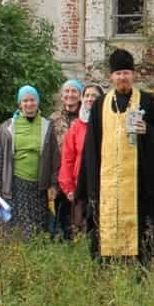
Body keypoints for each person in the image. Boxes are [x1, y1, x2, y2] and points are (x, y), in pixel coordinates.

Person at [75, 49, 154, 260]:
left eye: (126, 73)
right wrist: (88, 185)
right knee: (105, 226)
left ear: (133, 75)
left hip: (139, 183)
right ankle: (108, 266)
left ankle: (142, 267)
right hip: (107, 183)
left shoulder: (147, 101)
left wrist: (148, 131)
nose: (122, 78)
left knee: (142, 231)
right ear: (111, 77)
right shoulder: (100, 104)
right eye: (118, 74)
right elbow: (91, 146)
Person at [0, 85, 60, 240]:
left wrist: (54, 184)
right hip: (15, 185)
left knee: (38, 230)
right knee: (14, 230)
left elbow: (55, 158)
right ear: (20, 104)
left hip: (39, 187)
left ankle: (35, 259)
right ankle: (13, 260)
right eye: (25, 100)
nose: (29, 104)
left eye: (32, 100)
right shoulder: (8, 127)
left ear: (38, 102)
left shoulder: (47, 125)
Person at [59, 83, 103, 234]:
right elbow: (68, 158)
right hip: (81, 183)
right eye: (87, 95)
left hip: (103, 182)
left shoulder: (108, 124)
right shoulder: (76, 127)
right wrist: (68, 187)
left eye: (94, 96)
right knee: (82, 225)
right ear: (82, 99)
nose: (90, 99)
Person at [49, 79, 84, 239]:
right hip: (58, 171)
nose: (70, 95)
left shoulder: (85, 118)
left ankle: (79, 239)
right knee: (59, 209)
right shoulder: (53, 119)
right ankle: (60, 241)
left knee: (78, 208)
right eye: (67, 92)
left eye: (74, 91)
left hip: (78, 171)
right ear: (62, 96)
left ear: (80, 95)